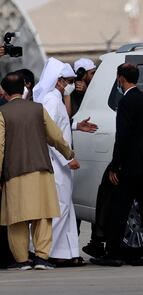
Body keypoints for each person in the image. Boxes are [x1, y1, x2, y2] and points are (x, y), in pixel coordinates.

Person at [91, 63, 143, 267]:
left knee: (119, 208)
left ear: (121, 79)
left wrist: (116, 166)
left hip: (130, 165)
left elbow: (122, 137)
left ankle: (114, 253)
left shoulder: (125, 103)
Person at [0, 72, 74, 270]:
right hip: (41, 169)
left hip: (15, 172)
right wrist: (69, 153)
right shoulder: (38, 109)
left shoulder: (3, 113)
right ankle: (42, 258)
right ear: (24, 88)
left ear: (4, 92)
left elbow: (0, 147)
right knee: (43, 216)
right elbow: (56, 137)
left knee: (17, 219)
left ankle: (22, 260)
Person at [33, 58, 97, 267]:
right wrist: (66, 158)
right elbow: (47, 133)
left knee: (66, 207)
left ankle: (66, 253)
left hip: (62, 163)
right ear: (59, 81)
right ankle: (45, 252)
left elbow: (60, 125)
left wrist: (77, 125)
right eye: (68, 81)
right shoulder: (51, 99)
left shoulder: (56, 98)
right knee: (59, 208)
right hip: (57, 163)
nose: (71, 84)